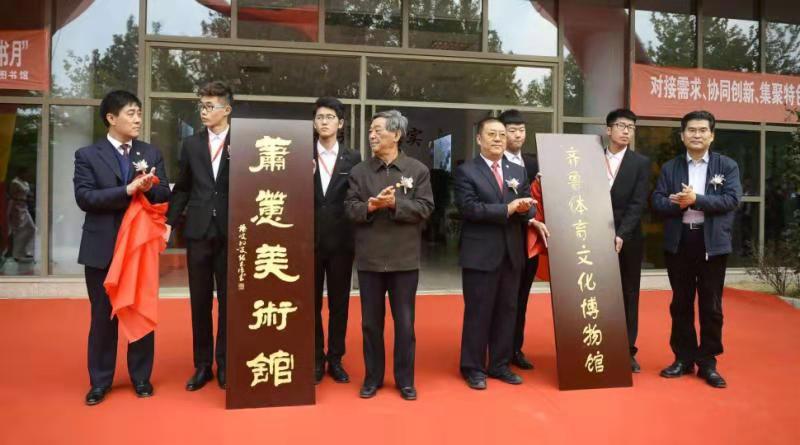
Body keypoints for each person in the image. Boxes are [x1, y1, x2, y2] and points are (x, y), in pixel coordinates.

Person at [74, 90, 170, 405]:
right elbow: (85, 198)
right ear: (111, 118)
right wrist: (127, 190)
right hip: (103, 248)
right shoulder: (87, 155)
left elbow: (164, 195)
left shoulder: (150, 152)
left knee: (139, 309)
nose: (138, 119)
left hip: (139, 248)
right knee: (103, 317)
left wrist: (151, 187)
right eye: (131, 113)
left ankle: (141, 377)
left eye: (139, 113)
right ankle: (100, 381)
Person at [345, 110, 434, 401]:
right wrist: (370, 207)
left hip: (404, 259)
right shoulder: (359, 172)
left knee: (405, 324)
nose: (372, 135)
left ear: (396, 135)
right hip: (370, 259)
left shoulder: (417, 170)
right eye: (371, 131)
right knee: (371, 324)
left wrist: (396, 203)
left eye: (378, 130)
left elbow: (425, 208)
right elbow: (350, 209)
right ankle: (372, 378)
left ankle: (405, 380)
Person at [652, 110, 741, 388]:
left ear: (712, 135)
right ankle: (683, 358)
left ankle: (708, 362)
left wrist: (696, 199)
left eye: (703, 130)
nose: (697, 135)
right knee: (681, 303)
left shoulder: (727, 166)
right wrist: (677, 203)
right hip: (680, 241)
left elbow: (732, 199)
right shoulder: (671, 167)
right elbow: (657, 201)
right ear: (682, 136)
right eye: (691, 130)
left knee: (711, 305)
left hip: (711, 242)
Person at [454, 116, 535, 390]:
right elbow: (469, 208)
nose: (499, 139)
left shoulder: (517, 170)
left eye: (502, 134)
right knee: (478, 312)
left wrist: (526, 209)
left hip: (511, 254)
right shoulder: (467, 171)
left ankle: (499, 364)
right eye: (492, 134)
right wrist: (507, 209)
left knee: (507, 311)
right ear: (479, 139)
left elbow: (529, 206)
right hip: (480, 254)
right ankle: (473, 367)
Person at [166, 81, 233, 391]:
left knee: (229, 302)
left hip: (232, 232)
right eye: (201, 106)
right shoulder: (191, 144)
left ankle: (226, 364)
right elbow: (182, 187)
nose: (204, 112)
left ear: (226, 109)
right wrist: (168, 224)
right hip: (198, 231)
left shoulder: (245, 142)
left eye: (210, 106)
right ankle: (203, 365)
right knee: (200, 301)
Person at [312, 96, 361, 384]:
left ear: (340, 123)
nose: (324, 122)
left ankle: (336, 358)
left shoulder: (353, 158)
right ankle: (316, 359)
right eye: (319, 117)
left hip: (342, 241)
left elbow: (357, 196)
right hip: (310, 241)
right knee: (311, 304)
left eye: (330, 117)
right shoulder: (301, 153)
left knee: (339, 303)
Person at [603, 108, 651, 372]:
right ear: (608, 129)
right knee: (596, 291)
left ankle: (627, 349)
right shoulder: (590, 158)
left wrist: (622, 233)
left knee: (628, 293)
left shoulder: (640, 163)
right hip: (592, 235)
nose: (626, 131)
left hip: (628, 237)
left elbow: (638, 203)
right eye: (621, 126)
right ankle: (597, 343)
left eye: (631, 127)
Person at [498, 109, 540, 370]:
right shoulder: (494, 162)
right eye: (512, 130)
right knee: (503, 298)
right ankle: (497, 348)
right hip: (505, 240)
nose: (518, 135)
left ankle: (515, 348)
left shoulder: (535, 162)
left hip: (530, 241)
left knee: (521, 297)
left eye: (521, 130)